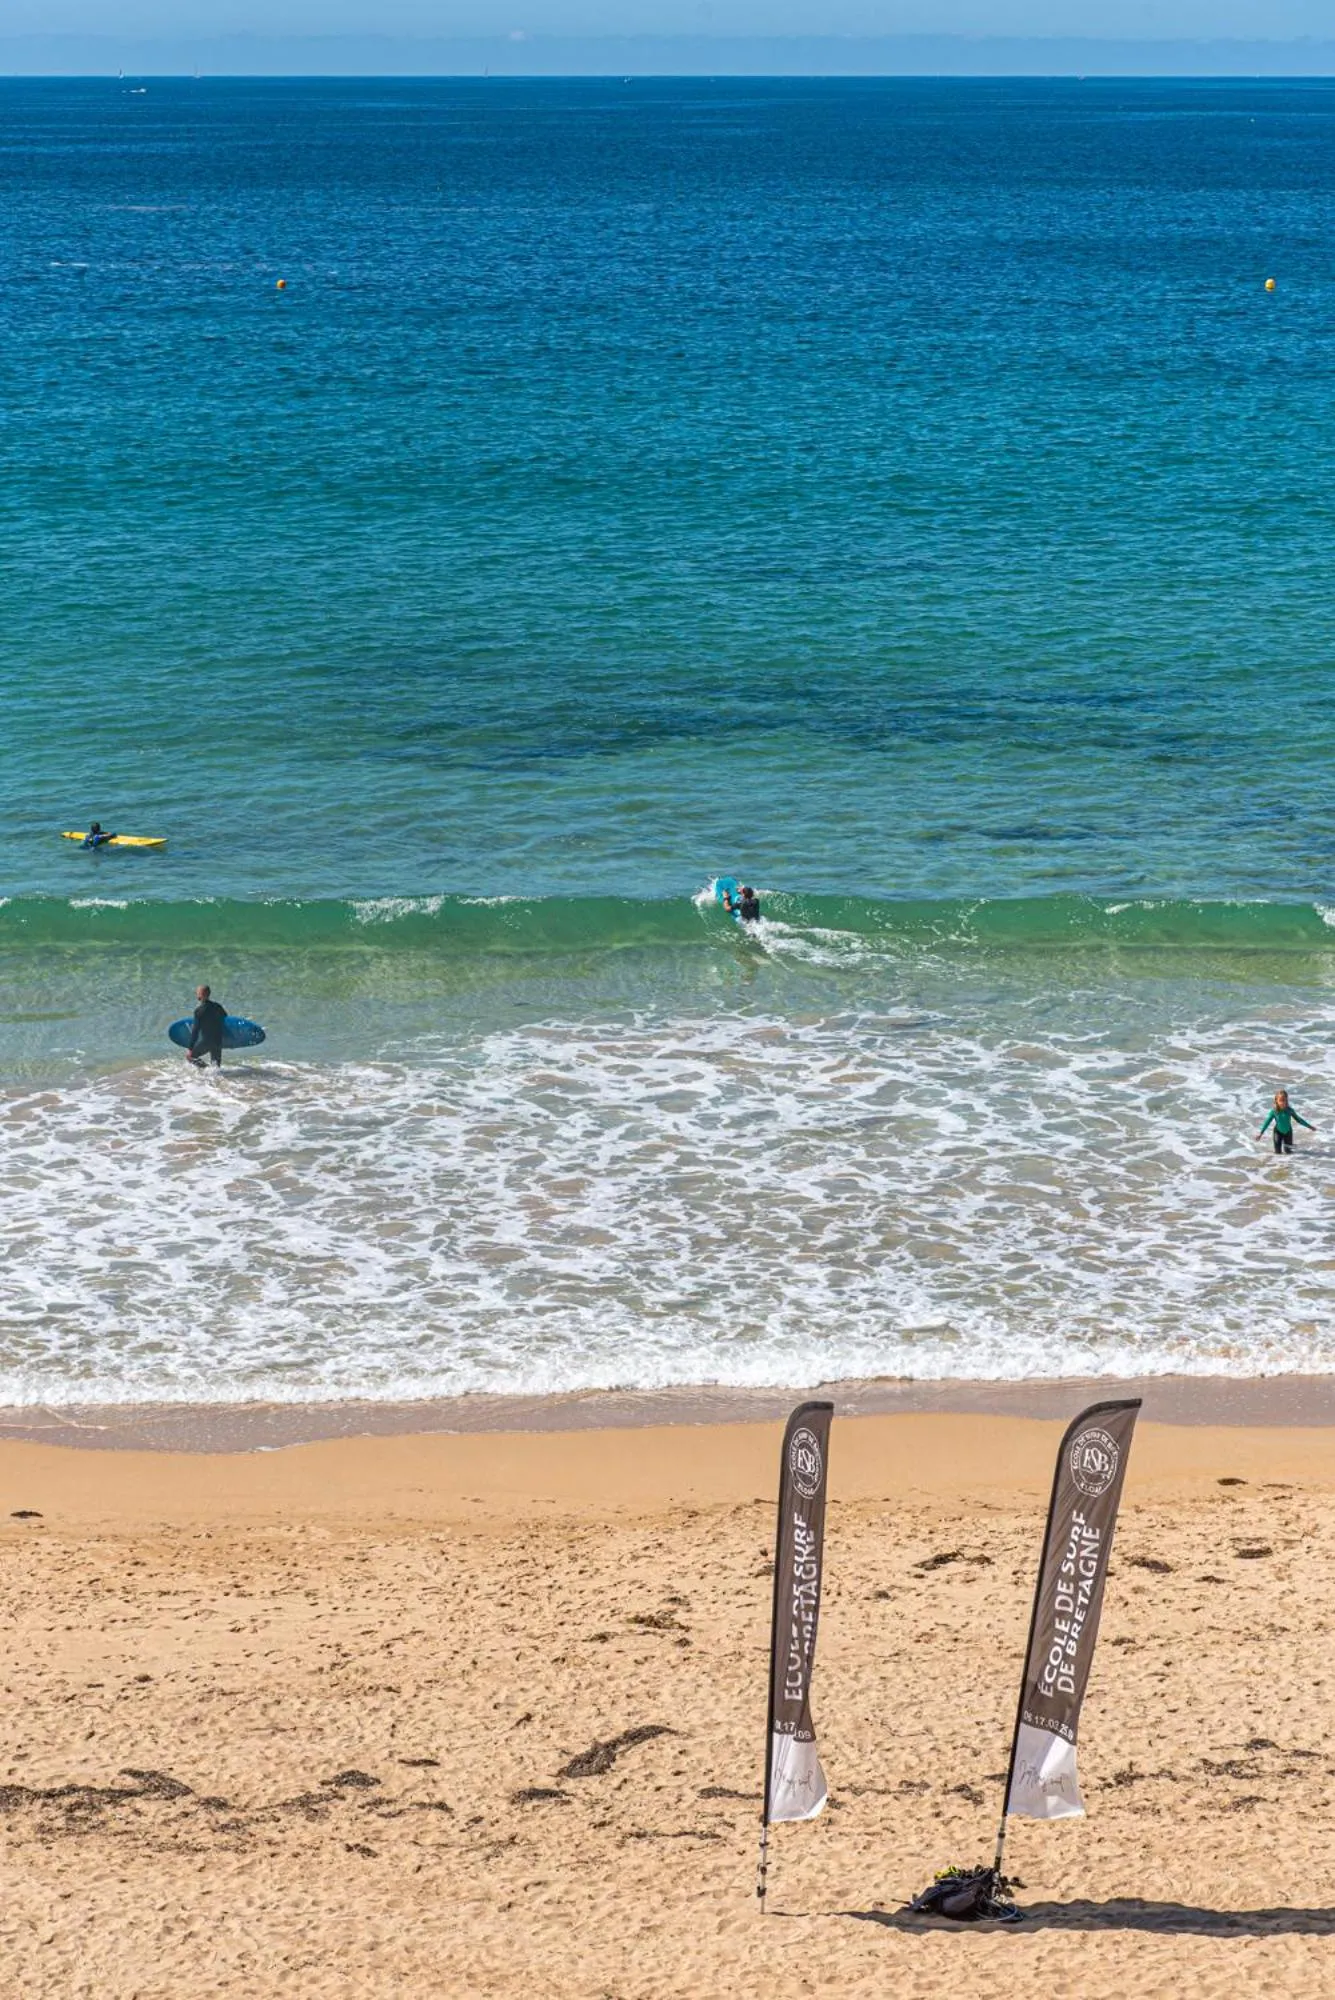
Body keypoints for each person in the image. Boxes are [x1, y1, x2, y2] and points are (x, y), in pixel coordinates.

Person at [1258, 1089, 1314, 1155]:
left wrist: (1309, 1126)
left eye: (1284, 1100)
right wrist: (1260, 1133)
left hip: (1288, 1132)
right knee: (1277, 1152)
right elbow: (1267, 1122)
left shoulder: (1290, 1110)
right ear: (1276, 1101)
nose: (1282, 1102)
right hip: (1277, 1132)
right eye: (1280, 1100)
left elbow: (1299, 1120)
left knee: (1288, 1152)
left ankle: (1290, 1161)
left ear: (1286, 1100)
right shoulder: (1274, 1111)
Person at [186, 984, 228, 1067]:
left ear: (201, 994)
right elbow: (226, 1019)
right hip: (218, 1041)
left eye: (197, 993)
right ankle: (212, 1073)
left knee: (190, 1057)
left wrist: (190, 1048)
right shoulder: (218, 1006)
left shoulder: (199, 1011)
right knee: (216, 1067)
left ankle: (206, 1068)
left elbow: (195, 1031)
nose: (196, 995)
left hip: (206, 1042)